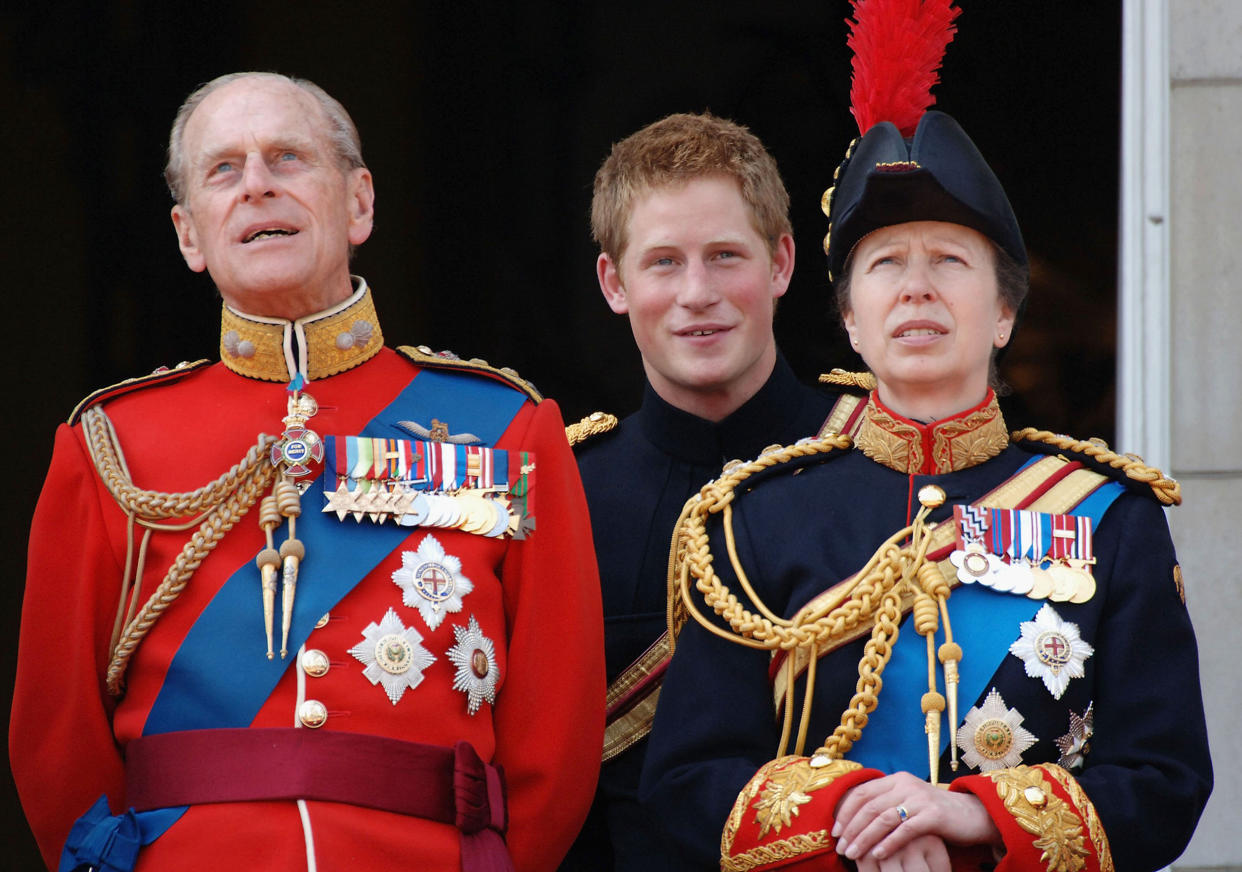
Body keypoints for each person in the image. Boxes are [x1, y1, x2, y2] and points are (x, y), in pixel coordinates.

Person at [640, 3, 1213, 871]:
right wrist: (858, 817)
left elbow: (1165, 779)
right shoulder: (753, 520)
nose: (916, 289)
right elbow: (685, 781)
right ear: (850, 324)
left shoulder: (1109, 519)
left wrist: (973, 816)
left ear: (1006, 314)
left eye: (949, 261)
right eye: (884, 265)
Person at [10, 71, 604, 872]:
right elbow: (58, 742)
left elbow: (556, 734)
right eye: (224, 169)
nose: (256, 185)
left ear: (359, 203)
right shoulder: (109, 444)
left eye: (288, 158)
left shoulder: (506, 428)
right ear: (189, 234)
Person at [561, 113, 841, 871]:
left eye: (725, 257)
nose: (697, 293)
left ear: (781, 263)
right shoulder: (563, 493)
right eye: (662, 263)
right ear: (614, 283)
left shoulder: (874, 460)